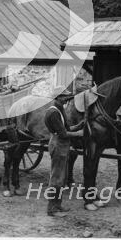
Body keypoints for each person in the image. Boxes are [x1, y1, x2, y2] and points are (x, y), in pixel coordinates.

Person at [44, 85, 84, 217]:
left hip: (62, 146)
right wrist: (79, 133)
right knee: (56, 178)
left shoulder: (59, 109)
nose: (67, 100)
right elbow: (63, 134)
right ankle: (51, 209)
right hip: (58, 145)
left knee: (62, 178)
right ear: (58, 98)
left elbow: (67, 128)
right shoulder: (53, 112)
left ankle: (58, 205)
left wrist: (79, 125)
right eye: (64, 97)